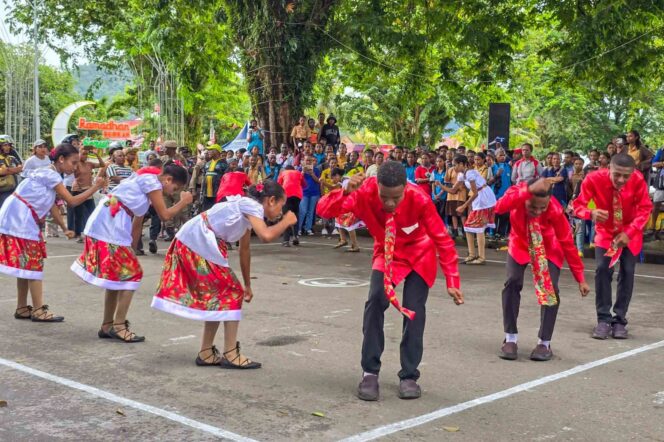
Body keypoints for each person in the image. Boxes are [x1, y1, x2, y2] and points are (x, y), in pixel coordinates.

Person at [317, 161, 464, 401]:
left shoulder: (420, 200)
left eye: (396, 197)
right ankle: (370, 372)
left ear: (406, 188)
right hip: (387, 253)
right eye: (384, 196)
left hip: (420, 254)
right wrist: (344, 191)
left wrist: (452, 280)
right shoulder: (363, 192)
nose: (390, 203)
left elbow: (443, 240)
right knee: (375, 301)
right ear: (376, 187)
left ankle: (409, 375)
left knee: (414, 310)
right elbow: (324, 210)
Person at [152, 181, 297, 368]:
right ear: (270, 200)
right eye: (281, 205)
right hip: (198, 241)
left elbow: (245, 250)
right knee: (231, 293)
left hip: (198, 240)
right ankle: (230, 353)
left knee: (220, 296)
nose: (281, 211)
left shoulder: (247, 209)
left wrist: (248, 284)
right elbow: (266, 236)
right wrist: (286, 221)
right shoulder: (251, 206)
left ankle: (206, 352)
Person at [71, 164, 193, 342]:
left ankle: (107, 325)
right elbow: (165, 215)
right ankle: (119, 326)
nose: (172, 192)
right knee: (132, 274)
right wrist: (184, 201)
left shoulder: (146, 182)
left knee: (117, 278)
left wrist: (132, 250)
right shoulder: (152, 183)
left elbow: (137, 222)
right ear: (168, 179)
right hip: (109, 225)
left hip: (111, 223)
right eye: (175, 188)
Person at [1, 144, 105, 322]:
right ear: (61, 160)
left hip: (17, 216)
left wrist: (64, 228)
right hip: (20, 219)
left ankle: (22, 307)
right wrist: (96, 187)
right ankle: (39, 310)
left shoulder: (48, 173)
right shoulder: (50, 174)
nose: (75, 167)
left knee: (25, 266)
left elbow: (51, 205)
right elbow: (72, 201)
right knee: (33, 264)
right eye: (73, 162)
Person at [495, 178, 590, 361]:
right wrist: (526, 190)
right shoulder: (517, 195)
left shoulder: (554, 209)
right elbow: (499, 208)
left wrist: (580, 277)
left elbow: (567, 244)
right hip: (520, 244)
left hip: (548, 247)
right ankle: (510, 337)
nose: (538, 212)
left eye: (542, 208)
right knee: (512, 281)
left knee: (550, 288)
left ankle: (544, 343)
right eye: (533, 207)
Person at [573, 154, 652, 340]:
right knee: (602, 269)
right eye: (617, 174)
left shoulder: (638, 180)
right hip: (606, 231)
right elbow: (577, 206)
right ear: (609, 167)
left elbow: (645, 208)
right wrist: (590, 213)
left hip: (630, 232)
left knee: (627, 271)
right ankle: (603, 319)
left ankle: (620, 319)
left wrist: (630, 232)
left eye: (626, 176)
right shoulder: (593, 179)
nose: (621, 180)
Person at [446, 155, 496, 265]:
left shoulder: (470, 173)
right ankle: (472, 254)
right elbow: (453, 190)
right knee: (469, 227)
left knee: (477, 228)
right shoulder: (461, 175)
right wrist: (440, 185)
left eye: (455, 165)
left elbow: (475, 193)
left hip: (484, 199)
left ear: (462, 164)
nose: (453, 167)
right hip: (479, 199)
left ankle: (481, 257)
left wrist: (464, 206)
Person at [72, 145, 106, 242]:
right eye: (83, 154)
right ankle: (78, 234)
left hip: (88, 191)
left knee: (92, 212)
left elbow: (102, 165)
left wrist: (96, 154)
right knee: (79, 214)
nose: (85, 156)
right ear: (79, 154)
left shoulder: (89, 164)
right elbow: (71, 170)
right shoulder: (76, 164)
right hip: (78, 190)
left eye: (86, 154)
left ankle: (92, 232)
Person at [332, 168, 362, 253]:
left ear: (337, 175)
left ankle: (355, 245)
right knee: (338, 218)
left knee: (349, 224)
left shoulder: (346, 182)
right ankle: (343, 240)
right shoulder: (343, 180)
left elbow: (349, 194)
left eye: (333, 177)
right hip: (350, 204)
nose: (333, 180)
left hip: (354, 204)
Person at [278, 165, 305, 247]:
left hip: (287, 195)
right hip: (297, 196)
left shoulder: (283, 173)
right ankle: (296, 236)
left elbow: (278, 185)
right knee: (295, 216)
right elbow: (304, 184)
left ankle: (286, 240)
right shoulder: (298, 173)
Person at [298, 155, 321, 236]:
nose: (308, 162)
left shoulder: (316, 170)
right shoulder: (300, 169)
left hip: (314, 193)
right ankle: (298, 228)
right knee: (302, 211)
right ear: (304, 161)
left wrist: (312, 174)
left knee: (310, 212)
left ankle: (308, 228)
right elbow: (298, 180)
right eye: (307, 160)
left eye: (310, 161)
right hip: (304, 193)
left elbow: (318, 181)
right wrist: (303, 172)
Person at [200, 144, 228, 212]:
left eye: (211, 150)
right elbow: (203, 178)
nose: (209, 151)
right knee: (206, 212)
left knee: (217, 212)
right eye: (208, 150)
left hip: (218, 194)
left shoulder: (224, 163)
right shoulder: (207, 163)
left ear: (217, 151)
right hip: (206, 194)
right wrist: (201, 192)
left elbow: (227, 179)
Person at [492, 148, 512, 239]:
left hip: (507, 196)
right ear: (496, 156)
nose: (502, 157)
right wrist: (497, 175)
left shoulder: (509, 167)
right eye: (500, 155)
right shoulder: (492, 167)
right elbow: (489, 181)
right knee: (495, 215)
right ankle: (493, 233)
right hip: (495, 195)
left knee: (505, 215)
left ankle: (502, 233)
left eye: (504, 155)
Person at [319, 158, 340, 236]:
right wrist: (322, 195)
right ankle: (324, 228)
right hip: (326, 195)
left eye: (335, 163)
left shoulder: (338, 172)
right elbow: (321, 183)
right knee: (325, 212)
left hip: (336, 195)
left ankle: (335, 228)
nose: (333, 164)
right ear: (329, 163)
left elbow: (338, 184)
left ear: (337, 163)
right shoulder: (324, 172)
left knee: (335, 212)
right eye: (332, 163)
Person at [0, 138, 23, 207]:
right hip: (3, 190)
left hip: (14, 189)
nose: (8, 147)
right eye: (5, 145)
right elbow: (3, 171)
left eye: (9, 145)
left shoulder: (12, 158)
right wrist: (15, 170)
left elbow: (22, 168)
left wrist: (8, 170)